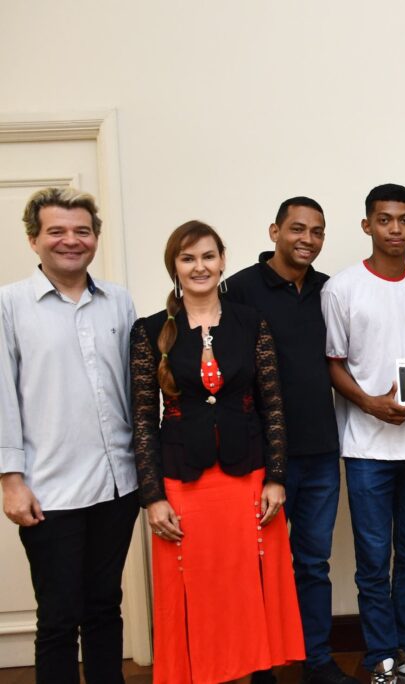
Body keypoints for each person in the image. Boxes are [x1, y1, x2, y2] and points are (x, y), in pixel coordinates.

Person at [131, 220, 305, 682]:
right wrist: (152, 497)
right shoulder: (149, 330)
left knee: (246, 589)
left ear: (222, 260)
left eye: (208, 256)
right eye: (188, 258)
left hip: (248, 478)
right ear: (174, 266)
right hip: (182, 482)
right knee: (197, 594)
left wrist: (276, 478)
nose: (199, 267)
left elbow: (273, 405)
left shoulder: (251, 322)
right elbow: (143, 419)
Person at [1, 188, 138, 683]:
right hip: (49, 491)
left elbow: (137, 390)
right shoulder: (10, 304)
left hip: (117, 485)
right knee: (58, 617)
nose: (71, 240)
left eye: (82, 230)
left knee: (104, 607)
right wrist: (10, 480)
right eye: (56, 231)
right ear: (33, 239)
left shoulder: (118, 302)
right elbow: (1, 394)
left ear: (95, 237)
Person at [224, 197, 356, 683]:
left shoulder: (329, 289)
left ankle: (316, 661)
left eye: (317, 231)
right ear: (274, 231)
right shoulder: (238, 290)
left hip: (320, 451)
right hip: (262, 458)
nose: (308, 239)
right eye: (297, 228)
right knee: (262, 566)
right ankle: (262, 667)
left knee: (313, 564)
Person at [322, 184, 405, 682]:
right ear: (367, 225)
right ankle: (380, 656)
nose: (395, 229)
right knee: (373, 559)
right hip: (367, 448)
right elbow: (333, 362)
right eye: (385, 220)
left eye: (404, 219)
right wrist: (370, 403)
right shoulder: (342, 288)